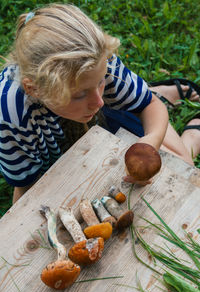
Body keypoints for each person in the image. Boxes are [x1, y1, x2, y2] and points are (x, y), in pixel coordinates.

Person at [0, 4, 199, 204]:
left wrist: (151, 140)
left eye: (102, 81)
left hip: (106, 118)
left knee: (185, 167)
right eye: (79, 94)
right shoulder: (10, 116)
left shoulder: (97, 61)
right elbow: (25, 185)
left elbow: (151, 106)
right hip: (60, 153)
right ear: (34, 89)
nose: (98, 101)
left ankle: (178, 123)